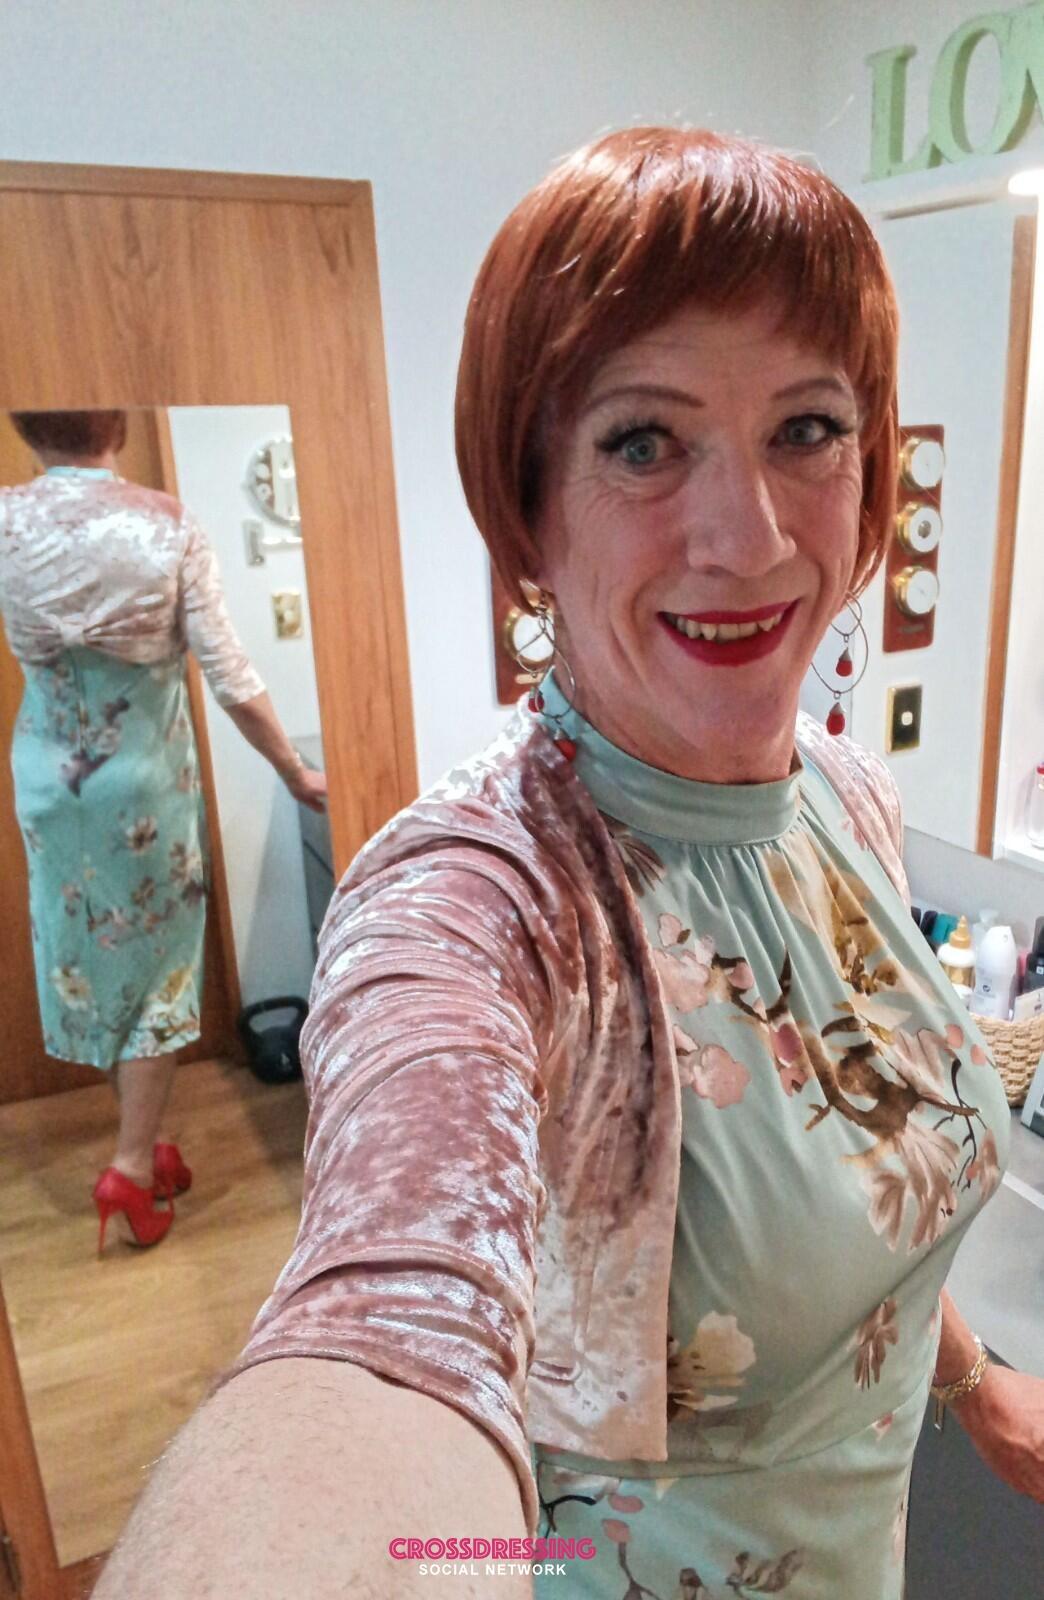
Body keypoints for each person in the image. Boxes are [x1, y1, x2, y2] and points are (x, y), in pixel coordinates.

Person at [94, 130, 1043, 1598]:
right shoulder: (480, 903)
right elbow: (383, 1334)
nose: (749, 536)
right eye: (644, 443)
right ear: (527, 507)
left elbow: (864, 1171)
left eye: (806, 428)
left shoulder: (845, 798)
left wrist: (972, 1387)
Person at [1, 409, 326, 1253]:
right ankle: (132, 1165)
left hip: (49, 783)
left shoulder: (6, 521)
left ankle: (141, 1141)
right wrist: (295, 770)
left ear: (24, 425)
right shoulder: (165, 524)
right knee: (158, 971)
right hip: (141, 790)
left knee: (99, 954)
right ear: (114, 423)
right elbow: (229, 674)